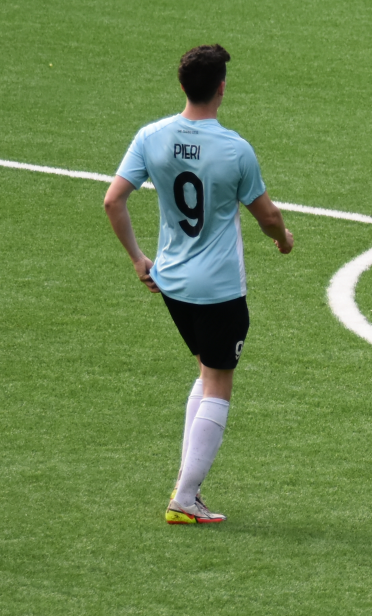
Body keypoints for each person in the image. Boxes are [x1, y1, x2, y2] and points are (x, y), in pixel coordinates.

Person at [103, 44, 294, 526]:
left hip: (172, 284)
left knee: (206, 373)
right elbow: (267, 215)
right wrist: (284, 240)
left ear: (183, 86)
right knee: (219, 383)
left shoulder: (151, 136)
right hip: (219, 290)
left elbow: (113, 201)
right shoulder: (234, 148)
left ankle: (187, 486)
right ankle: (185, 498)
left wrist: (137, 258)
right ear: (222, 87)